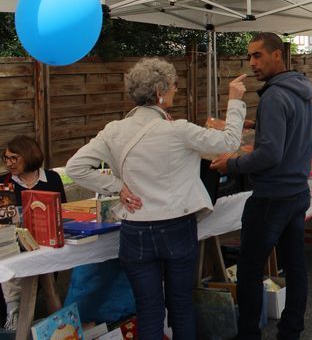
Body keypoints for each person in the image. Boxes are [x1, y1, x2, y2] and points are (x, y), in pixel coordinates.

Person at [67, 59, 247, 340]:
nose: (176, 90)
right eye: (174, 86)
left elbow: (75, 167)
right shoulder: (178, 130)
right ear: (160, 92)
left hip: (135, 229)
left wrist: (118, 187)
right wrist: (234, 101)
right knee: (181, 304)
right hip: (177, 225)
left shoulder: (114, 130)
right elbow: (230, 142)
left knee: (148, 309)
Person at [209, 32, 312, 340]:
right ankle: (291, 330)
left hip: (272, 196)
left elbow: (270, 154)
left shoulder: (273, 96)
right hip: (297, 191)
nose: (252, 63)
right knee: (295, 265)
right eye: (250, 56)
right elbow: (295, 132)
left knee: (249, 270)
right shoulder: (300, 89)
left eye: (258, 55)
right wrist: (257, 125)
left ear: (277, 54)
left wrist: (232, 163)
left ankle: (248, 335)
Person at [2, 135, 67, 330]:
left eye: (14, 158)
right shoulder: (4, 183)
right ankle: (13, 314)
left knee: (47, 281)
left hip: (47, 241)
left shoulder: (52, 178)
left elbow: (63, 211)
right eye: (6, 158)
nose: (9, 163)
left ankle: (52, 326)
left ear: (29, 156)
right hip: (14, 243)